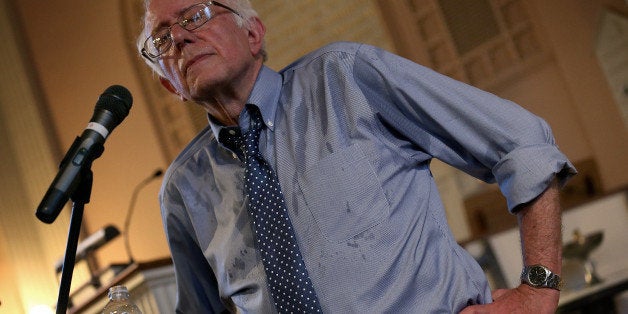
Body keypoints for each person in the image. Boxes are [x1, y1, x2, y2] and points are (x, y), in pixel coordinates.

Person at [137, 0, 576, 312]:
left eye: (195, 16)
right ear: (169, 86)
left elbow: (522, 142)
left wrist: (538, 291)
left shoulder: (347, 78)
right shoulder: (182, 189)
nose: (178, 37)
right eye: (161, 38)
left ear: (253, 33)